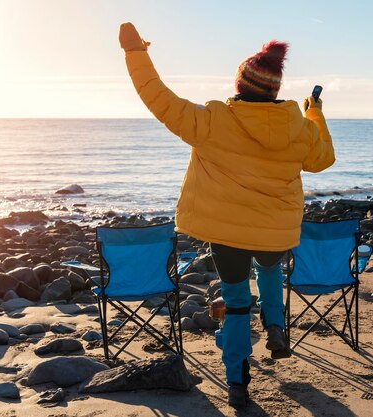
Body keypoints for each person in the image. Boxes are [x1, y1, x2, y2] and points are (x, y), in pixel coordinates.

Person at [119, 22, 335, 408]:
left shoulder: (211, 121)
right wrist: (315, 112)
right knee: (270, 271)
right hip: (276, 232)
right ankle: (275, 327)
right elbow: (323, 158)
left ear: (239, 85)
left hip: (228, 236)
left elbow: (158, 98)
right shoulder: (299, 128)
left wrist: (136, 54)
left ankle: (237, 381)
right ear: (275, 90)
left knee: (235, 303)